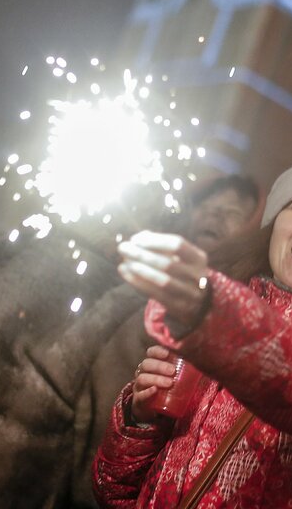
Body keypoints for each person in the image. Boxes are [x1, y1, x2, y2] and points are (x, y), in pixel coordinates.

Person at [92, 160, 292, 508]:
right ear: (273, 228)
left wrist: (218, 314)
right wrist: (140, 418)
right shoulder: (213, 328)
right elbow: (115, 493)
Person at [72, 173, 260, 508]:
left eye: (232, 213)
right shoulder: (136, 262)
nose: (215, 216)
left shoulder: (240, 310)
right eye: (207, 206)